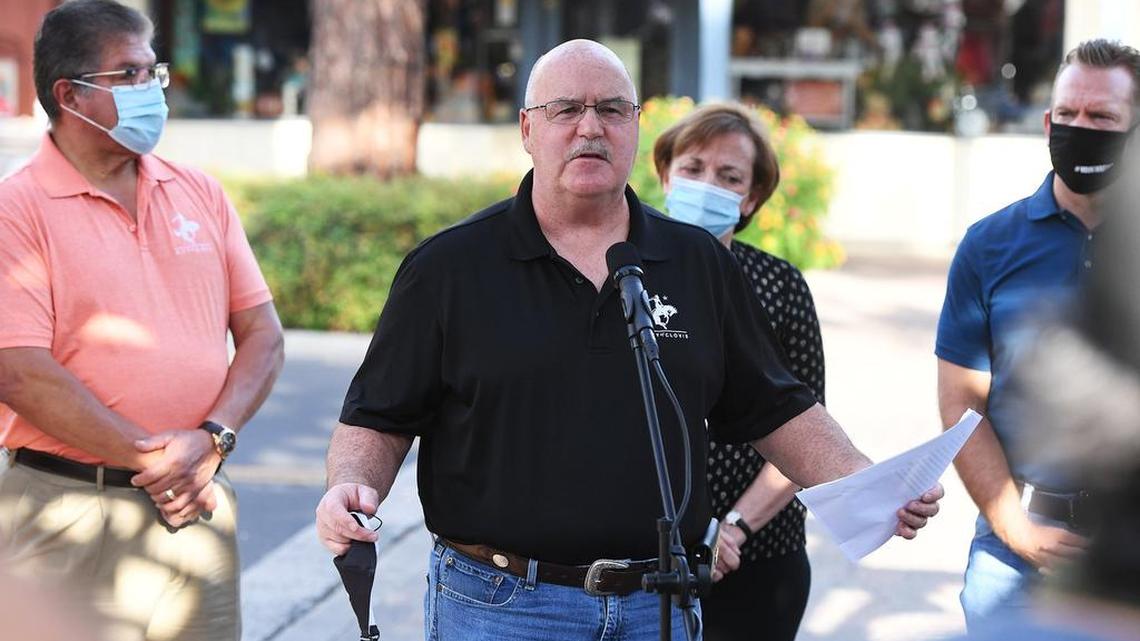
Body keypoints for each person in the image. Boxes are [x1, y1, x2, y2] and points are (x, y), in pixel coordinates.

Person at [316, 39, 942, 641]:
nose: (590, 127)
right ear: (527, 130)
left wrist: (868, 478)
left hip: (658, 606)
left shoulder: (695, 262)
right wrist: (353, 484)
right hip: (501, 608)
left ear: (636, 128)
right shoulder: (450, 268)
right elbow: (379, 414)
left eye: (612, 109)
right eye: (566, 110)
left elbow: (775, 407)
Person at [0, 2, 284, 640]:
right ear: (68, 94)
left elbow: (263, 336)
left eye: (153, 74)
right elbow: (18, 372)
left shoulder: (198, 192)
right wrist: (160, 461)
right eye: (127, 75)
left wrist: (212, 440)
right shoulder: (15, 210)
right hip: (68, 513)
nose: (151, 91)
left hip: (195, 507)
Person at [935, 38, 1139, 629]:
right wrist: (1014, 529)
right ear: (1047, 121)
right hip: (1015, 557)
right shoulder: (989, 245)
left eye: (1102, 117)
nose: (1081, 128)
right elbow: (962, 402)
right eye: (1068, 114)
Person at [652, 102, 821, 641]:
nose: (707, 184)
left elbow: (805, 422)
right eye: (693, 168)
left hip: (759, 557)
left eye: (728, 177)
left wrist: (731, 530)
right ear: (665, 175)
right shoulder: (624, 272)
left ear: (750, 198)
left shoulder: (780, 287)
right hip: (638, 560)